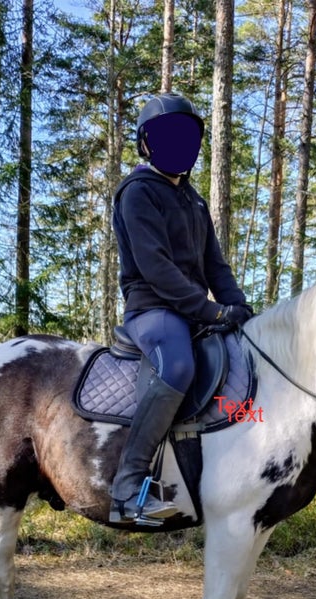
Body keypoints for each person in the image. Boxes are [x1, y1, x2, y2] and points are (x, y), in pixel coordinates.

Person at [108, 92, 252, 525]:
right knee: (178, 367)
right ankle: (128, 488)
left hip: (190, 309)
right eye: (167, 137)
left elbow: (215, 265)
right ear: (147, 144)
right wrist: (210, 312)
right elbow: (156, 268)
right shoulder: (136, 192)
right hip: (152, 308)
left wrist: (238, 307)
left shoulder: (194, 200)